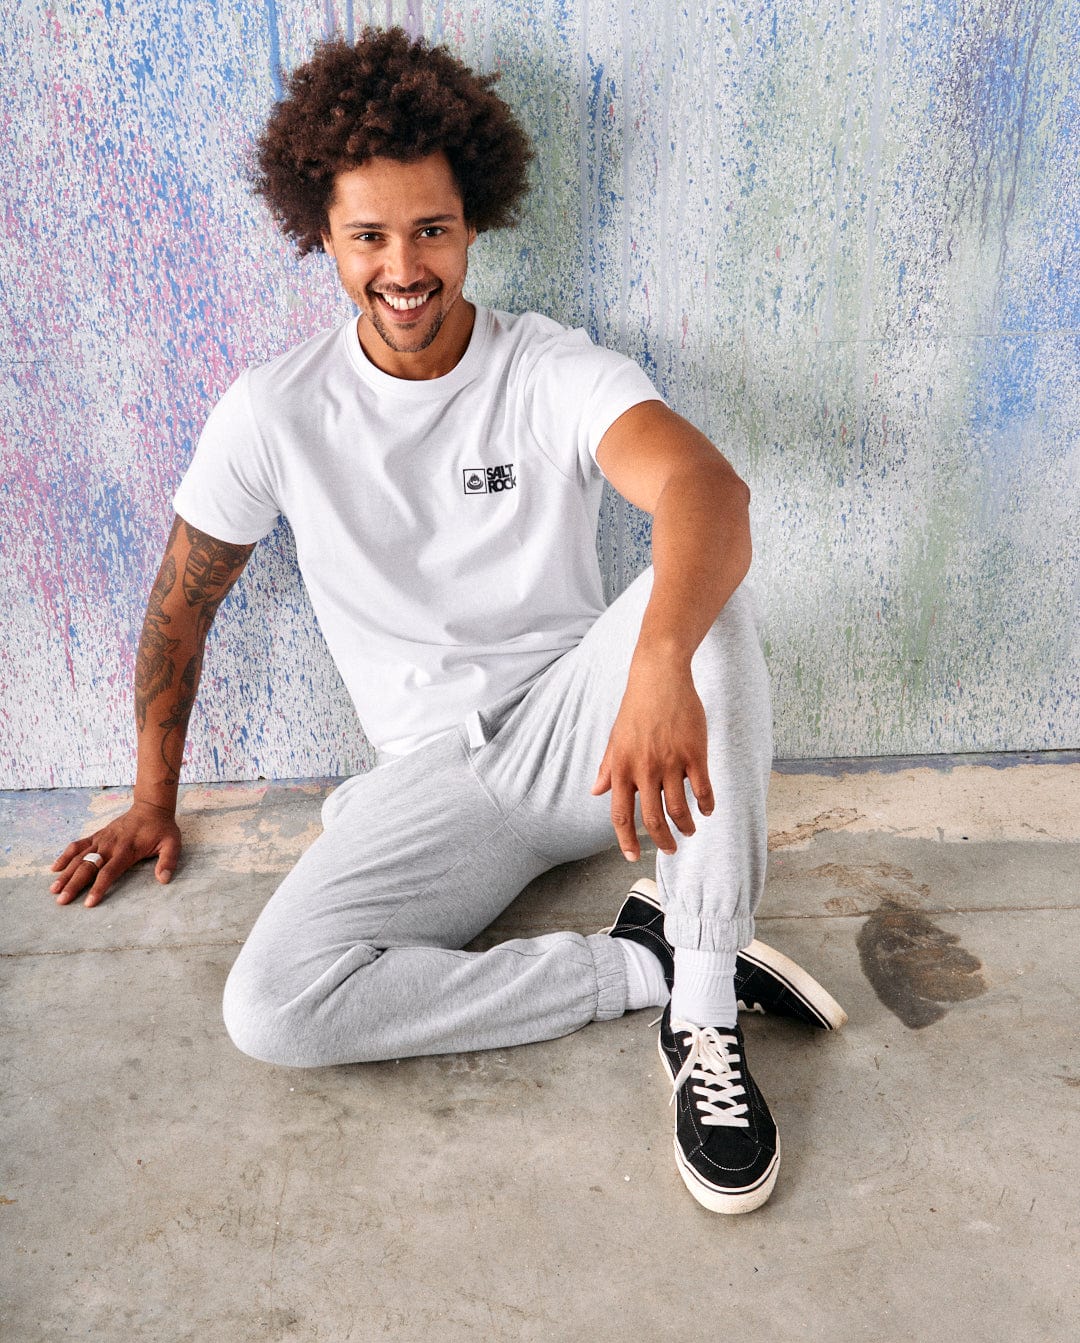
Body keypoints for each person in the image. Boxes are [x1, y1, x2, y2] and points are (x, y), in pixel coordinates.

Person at [50, 27, 845, 1214]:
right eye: (368, 235)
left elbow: (707, 493)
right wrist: (154, 798)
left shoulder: (545, 368)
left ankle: (709, 1004)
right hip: (437, 787)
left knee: (712, 608)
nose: (404, 266)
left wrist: (659, 663)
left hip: (594, 747)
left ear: (473, 223)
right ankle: (640, 963)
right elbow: (181, 606)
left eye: (431, 228)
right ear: (319, 236)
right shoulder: (274, 412)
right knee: (271, 1007)